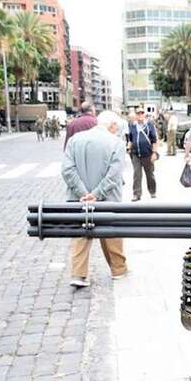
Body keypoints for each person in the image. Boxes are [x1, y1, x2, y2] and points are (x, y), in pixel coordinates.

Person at [62, 111, 128, 288]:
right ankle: (118, 270)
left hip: (78, 200)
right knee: (112, 234)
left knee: (80, 234)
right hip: (108, 200)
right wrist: (96, 194)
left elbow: (67, 170)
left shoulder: (74, 140)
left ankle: (78, 274)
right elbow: (114, 176)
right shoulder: (117, 143)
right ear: (113, 125)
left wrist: (84, 194)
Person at [127, 109, 158, 201]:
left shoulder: (149, 125)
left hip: (147, 154)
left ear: (144, 115)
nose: (140, 115)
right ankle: (136, 194)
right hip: (136, 154)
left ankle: (152, 191)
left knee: (149, 174)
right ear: (136, 115)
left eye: (142, 113)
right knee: (137, 174)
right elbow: (130, 140)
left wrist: (154, 153)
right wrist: (128, 147)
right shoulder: (132, 126)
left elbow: (154, 140)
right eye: (138, 113)